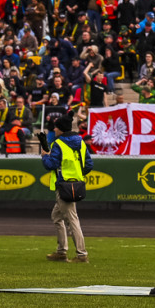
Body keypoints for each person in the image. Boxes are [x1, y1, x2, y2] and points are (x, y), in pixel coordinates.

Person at [41, 113, 93, 263]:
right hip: (76, 184)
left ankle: (81, 254)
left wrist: (45, 155)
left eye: (56, 127)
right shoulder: (81, 142)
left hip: (64, 186)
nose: (54, 129)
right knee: (57, 216)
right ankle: (61, 251)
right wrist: (77, 175)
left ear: (61, 129)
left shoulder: (59, 144)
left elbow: (50, 165)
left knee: (72, 220)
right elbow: (88, 165)